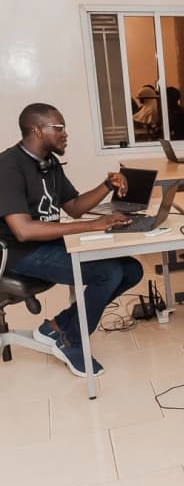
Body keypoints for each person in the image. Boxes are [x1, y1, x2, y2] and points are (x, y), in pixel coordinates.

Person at [0, 103, 143, 378]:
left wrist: (108, 185)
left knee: (131, 269)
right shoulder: (8, 167)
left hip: (48, 244)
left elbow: (74, 206)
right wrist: (93, 226)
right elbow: (23, 231)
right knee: (108, 272)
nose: (65, 133)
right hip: (20, 254)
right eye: (59, 127)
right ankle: (71, 342)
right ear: (37, 130)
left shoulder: (49, 163)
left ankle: (56, 326)